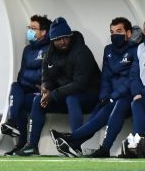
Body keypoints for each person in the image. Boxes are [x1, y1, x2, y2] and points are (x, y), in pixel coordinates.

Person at [50, 17, 137, 158]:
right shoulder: (108, 50)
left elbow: (131, 78)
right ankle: (75, 144)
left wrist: (113, 97)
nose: (115, 35)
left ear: (128, 33)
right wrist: (104, 96)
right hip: (110, 96)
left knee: (115, 106)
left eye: (119, 31)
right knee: (97, 114)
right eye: (112, 31)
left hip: (127, 96)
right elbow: (106, 77)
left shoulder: (135, 49)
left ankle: (73, 139)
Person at [15, 17, 100, 156]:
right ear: (52, 40)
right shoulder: (50, 54)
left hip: (89, 96)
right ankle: (32, 146)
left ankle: (75, 145)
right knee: (38, 100)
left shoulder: (82, 52)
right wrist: (45, 88)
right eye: (58, 39)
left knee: (72, 98)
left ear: (70, 36)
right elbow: (47, 78)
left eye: (65, 37)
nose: (63, 42)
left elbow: (80, 84)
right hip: (64, 95)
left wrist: (53, 94)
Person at [0, 15, 52, 156]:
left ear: (43, 32)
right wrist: (32, 81)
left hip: (42, 92)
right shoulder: (27, 50)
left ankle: (26, 143)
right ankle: (14, 127)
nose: (29, 31)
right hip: (29, 88)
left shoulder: (50, 48)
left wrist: (35, 82)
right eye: (29, 28)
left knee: (21, 100)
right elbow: (21, 76)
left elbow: (45, 75)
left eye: (33, 28)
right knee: (16, 86)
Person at [130, 21, 145, 138]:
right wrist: (136, 92)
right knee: (136, 104)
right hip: (143, 92)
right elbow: (134, 74)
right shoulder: (140, 48)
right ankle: (139, 141)